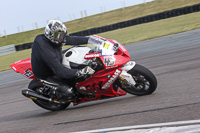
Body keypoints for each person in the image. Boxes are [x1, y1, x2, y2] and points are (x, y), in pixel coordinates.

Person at [31, 20, 99, 102]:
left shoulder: (55, 40)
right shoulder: (45, 49)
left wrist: (91, 40)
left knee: (79, 51)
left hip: (56, 59)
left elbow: (71, 40)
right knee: (69, 93)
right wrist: (80, 72)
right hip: (48, 73)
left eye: (63, 35)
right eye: (61, 36)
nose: (63, 38)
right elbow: (59, 71)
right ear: (52, 35)